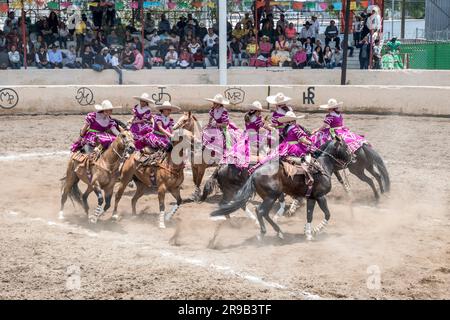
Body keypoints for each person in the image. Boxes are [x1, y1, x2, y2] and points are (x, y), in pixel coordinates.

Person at [202, 94, 241, 160]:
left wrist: (216, 124)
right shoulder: (213, 110)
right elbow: (211, 118)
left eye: (215, 103)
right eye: (213, 103)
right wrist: (209, 124)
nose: (213, 105)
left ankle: (227, 152)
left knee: (227, 136)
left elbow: (225, 124)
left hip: (223, 126)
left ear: (219, 104)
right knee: (205, 132)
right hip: (215, 125)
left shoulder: (224, 111)